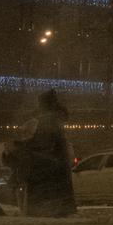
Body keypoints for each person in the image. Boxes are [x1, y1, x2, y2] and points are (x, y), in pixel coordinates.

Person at [22, 89, 76, 217]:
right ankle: (60, 211)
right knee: (58, 190)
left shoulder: (48, 121)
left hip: (49, 163)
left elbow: (44, 142)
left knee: (43, 188)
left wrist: (24, 145)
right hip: (57, 162)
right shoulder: (55, 119)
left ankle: (42, 211)